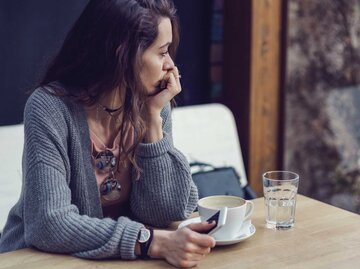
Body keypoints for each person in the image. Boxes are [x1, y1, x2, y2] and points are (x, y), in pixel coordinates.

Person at [0, 0, 216, 267]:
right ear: (121, 54)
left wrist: (152, 121)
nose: (171, 65)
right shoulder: (49, 108)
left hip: (113, 261)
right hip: (36, 261)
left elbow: (165, 211)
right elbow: (49, 223)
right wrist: (149, 242)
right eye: (162, 52)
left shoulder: (152, 105)